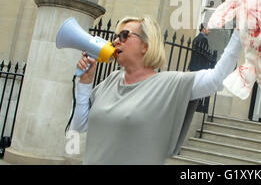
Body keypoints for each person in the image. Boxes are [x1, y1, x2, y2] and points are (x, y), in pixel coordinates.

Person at [70, 15, 241, 164]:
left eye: (124, 35)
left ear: (146, 45)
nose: (115, 41)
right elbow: (79, 125)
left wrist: (241, 30)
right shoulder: (110, 81)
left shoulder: (168, 84)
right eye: (116, 36)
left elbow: (217, 77)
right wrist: (85, 83)